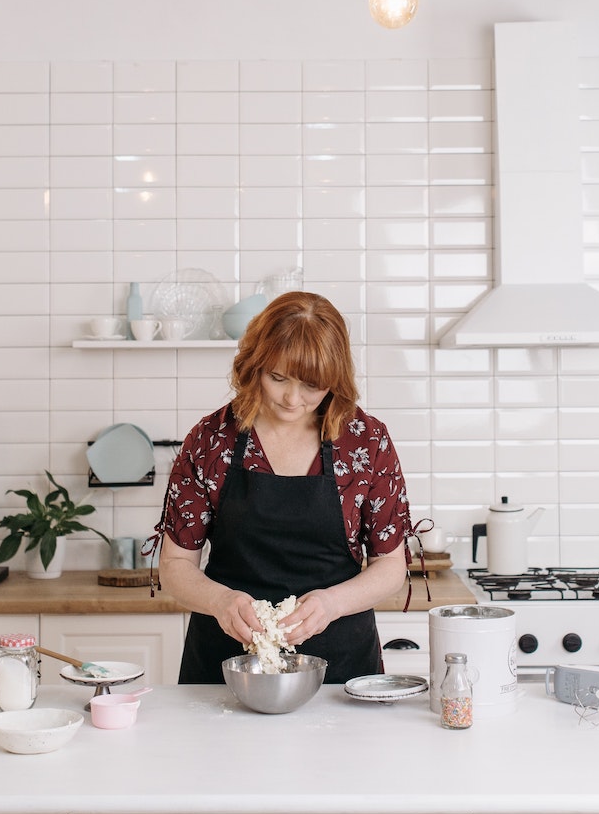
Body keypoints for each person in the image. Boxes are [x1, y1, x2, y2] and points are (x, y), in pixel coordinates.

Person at [155, 291, 413, 684]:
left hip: (340, 672)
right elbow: (175, 566)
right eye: (277, 378)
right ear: (254, 364)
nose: (293, 399)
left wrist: (331, 603)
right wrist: (220, 601)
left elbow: (391, 566)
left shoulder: (365, 441)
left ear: (335, 377)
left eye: (312, 385)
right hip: (227, 670)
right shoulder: (212, 440)